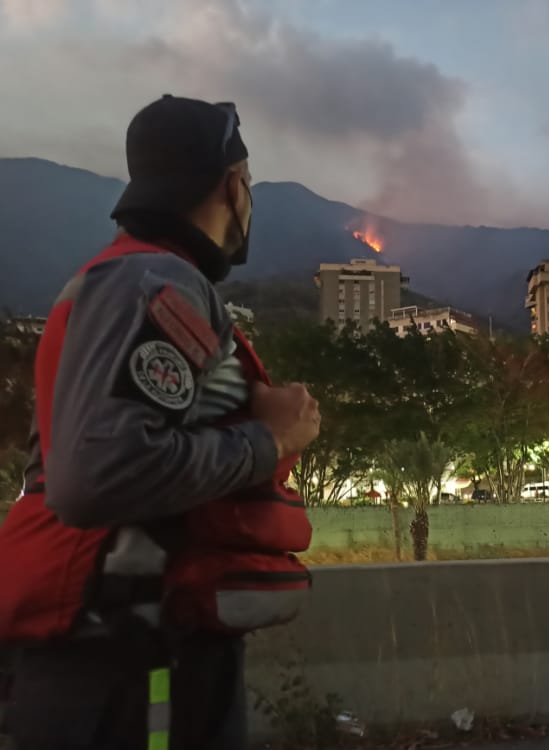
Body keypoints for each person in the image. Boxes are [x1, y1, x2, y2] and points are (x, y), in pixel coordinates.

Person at [0, 95, 321, 749]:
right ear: (233, 186)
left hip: (124, 646)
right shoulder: (154, 283)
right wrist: (274, 439)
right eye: (250, 182)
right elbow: (102, 473)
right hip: (129, 660)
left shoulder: (130, 279)